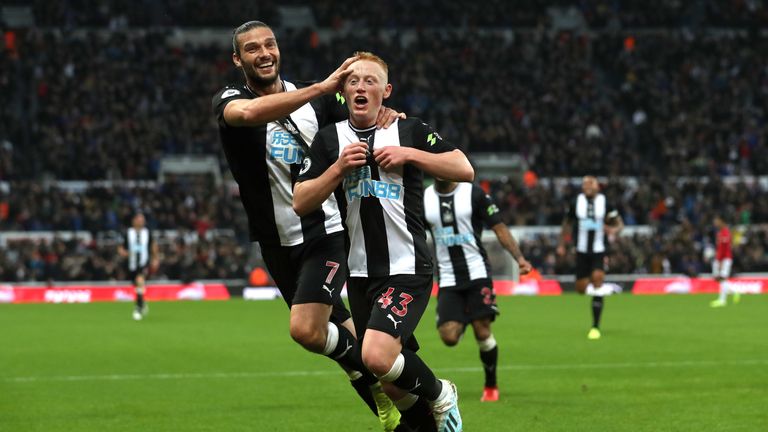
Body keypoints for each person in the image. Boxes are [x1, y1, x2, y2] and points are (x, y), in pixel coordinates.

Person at [212, 21, 403, 431]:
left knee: (305, 329)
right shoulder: (231, 99)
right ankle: (400, 409)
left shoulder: (321, 104)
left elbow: (362, 116)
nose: (263, 54)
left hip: (325, 233)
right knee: (342, 338)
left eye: (269, 45)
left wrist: (383, 112)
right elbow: (246, 114)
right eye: (251, 49)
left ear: (279, 49)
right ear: (237, 59)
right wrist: (320, 86)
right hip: (276, 244)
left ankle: (427, 389)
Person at [294, 51, 474, 432]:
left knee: (375, 356)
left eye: (370, 80)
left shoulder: (408, 131)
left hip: (407, 266)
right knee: (392, 384)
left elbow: (464, 167)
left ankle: (442, 393)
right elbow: (301, 200)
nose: (361, 86)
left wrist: (411, 154)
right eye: (354, 80)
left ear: (386, 91)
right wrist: (338, 168)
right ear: (343, 91)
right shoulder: (330, 140)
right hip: (359, 272)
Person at [423, 179, 532, 402]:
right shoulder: (423, 198)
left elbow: (499, 227)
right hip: (447, 277)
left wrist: (519, 258)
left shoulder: (474, 194)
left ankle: (491, 386)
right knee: (449, 337)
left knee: (482, 331)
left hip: (477, 273)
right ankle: (464, 316)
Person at [557, 176, 623, 340]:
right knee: (581, 288)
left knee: (597, 280)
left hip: (599, 250)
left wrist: (613, 230)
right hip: (581, 250)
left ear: (597, 187)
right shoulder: (575, 202)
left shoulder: (605, 203)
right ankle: (607, 288)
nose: (587, 186)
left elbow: (619, 223)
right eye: (585, 184)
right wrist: (562, 245)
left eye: (591, 183)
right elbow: (567, 224)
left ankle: (595, 326)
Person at [118, 212, 158, 321]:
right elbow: (121, 247)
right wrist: (123, 253)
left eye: (143, 219)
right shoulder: (128, 233)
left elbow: (153, 245)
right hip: (131, 264)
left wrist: (155, 259)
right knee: (137, 285)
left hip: (143, 263)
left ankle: (138, 308)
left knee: (140, 280)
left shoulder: (147, 233)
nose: (141, 221)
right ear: (134, 221)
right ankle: (142, 302)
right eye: (139, 219)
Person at [710, 215, 738, 307]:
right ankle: (733, 291)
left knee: (722, 277)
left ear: (722, 221)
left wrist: (721, 261)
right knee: (717, 278)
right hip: (720, 258)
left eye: (716, 221)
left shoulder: (725, 232)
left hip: (725, 259)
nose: (715, 223)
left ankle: (722, 300)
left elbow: (725, 249)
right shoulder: (720, 232)